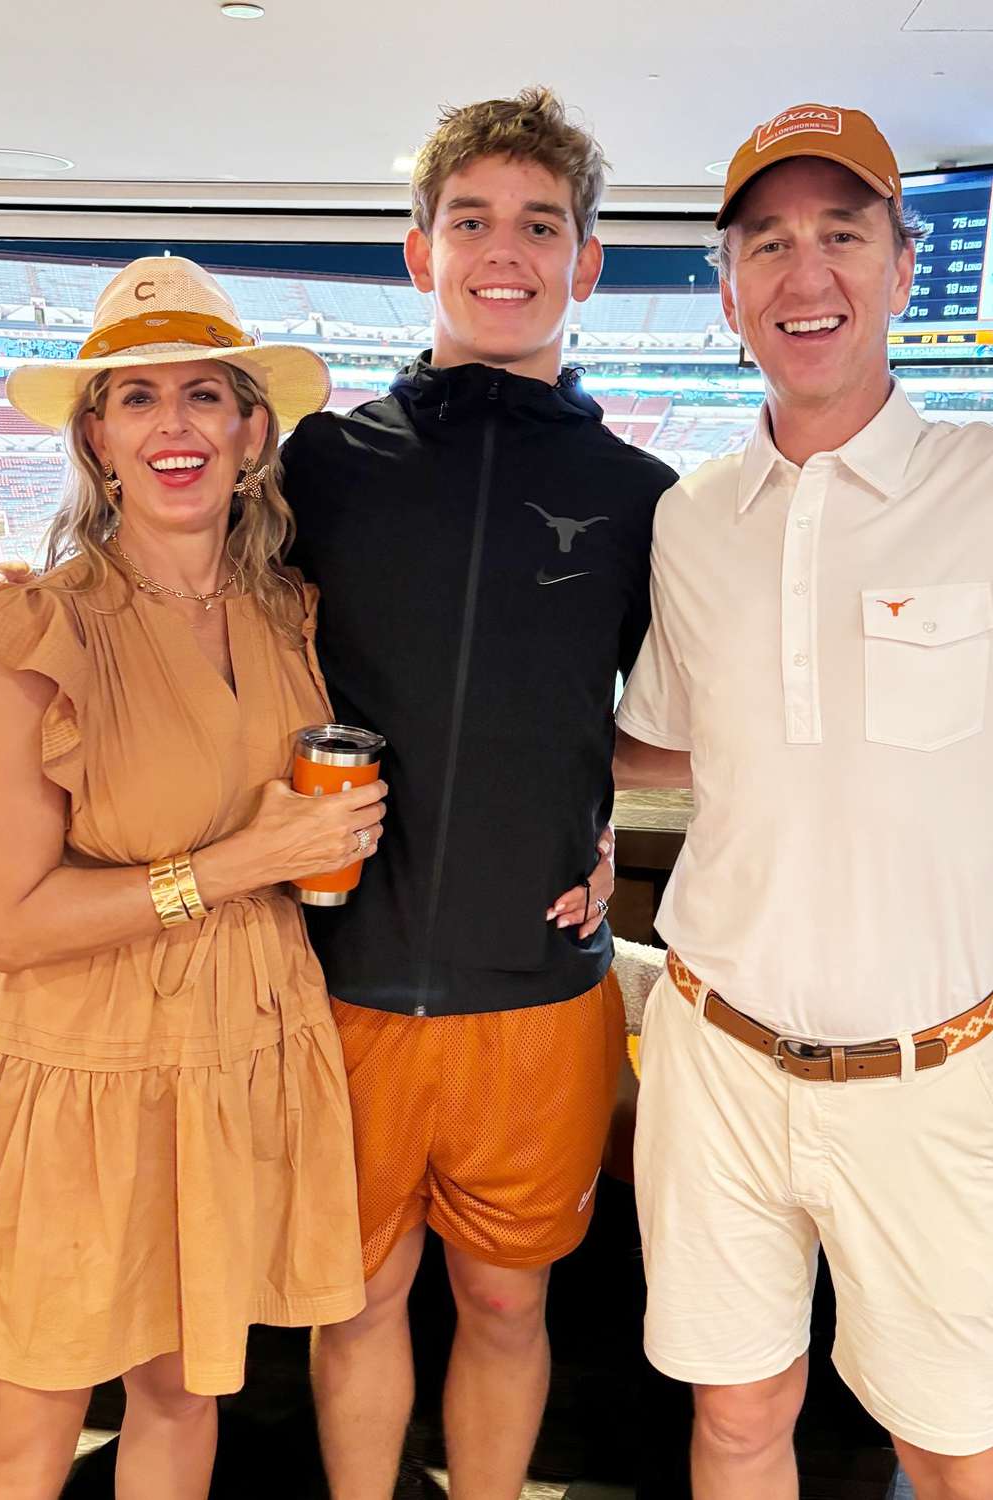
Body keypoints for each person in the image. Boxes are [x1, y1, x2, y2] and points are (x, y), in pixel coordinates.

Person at [280, 88, 681, 1500]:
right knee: (360, 1300)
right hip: (346, 979)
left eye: (539, 225)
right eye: (470, 221)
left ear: (586, 263)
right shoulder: (320, 464)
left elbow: (682, 726)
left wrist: (591, 794)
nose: (501, 251)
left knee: (510, 1307)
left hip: (539, 990)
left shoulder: (648, 498)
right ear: (418, 251)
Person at [615, 101, 993, 1500]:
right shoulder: (691, 516)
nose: (804, 273)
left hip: (942, 1072)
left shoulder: (984, 485)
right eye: (767, 242)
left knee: (955, 1445)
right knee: (733, 1421)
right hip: (717, 1055)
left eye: (843, 233)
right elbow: (664, 743)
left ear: (905, 267)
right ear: (727, 290)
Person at [0, 256, 386, 1500]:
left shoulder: (295, 615)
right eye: (138, 398)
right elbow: (11, 923)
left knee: (182, 1393)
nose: (177, 427)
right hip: (81, 1072)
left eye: (205, 396)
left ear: (252, 430)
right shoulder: (36, 629)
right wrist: (236, 867)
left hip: (246, 1048)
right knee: (27, 1419)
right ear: (96, 438)